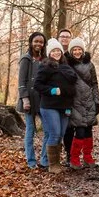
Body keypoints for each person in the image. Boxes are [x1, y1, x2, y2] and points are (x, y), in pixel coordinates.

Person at [34, 38, 77, 173]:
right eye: (53, 51)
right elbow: (38, 85)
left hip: (65, 106)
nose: (56, 53)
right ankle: (53, 165)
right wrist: (51, 90)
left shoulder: (66, 67)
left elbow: (72, 87)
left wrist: (69, 106)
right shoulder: (45, 66)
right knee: (54, 133)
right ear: (49, 53)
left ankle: (56, 161)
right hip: (49, 106)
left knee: (61, 133)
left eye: (58, 50)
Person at [67, 37, 99, 169]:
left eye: (79, 49)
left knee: (88, 130)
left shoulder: (90, 65)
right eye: (74, 49)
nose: (77, 52)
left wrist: (97, 101)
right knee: (79, 131)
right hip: (75, 102)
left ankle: (88, 157)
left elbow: (94, 83)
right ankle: (74, 158)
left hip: (89, 101)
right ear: (71, 51)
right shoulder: (68, 64)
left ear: (83, 50)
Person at [16, 32, 48, 170]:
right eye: (36, 41)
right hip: (29, 101)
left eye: (41, 42)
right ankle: (31, 161)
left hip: (42, 100)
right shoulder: (26, 59)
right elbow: (21, 81)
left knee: (48, 130)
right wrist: (25, 99)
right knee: (30, 131)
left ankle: (44, 159)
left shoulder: (44, 59)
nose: (38, 44)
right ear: (31, 42)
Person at [57, 28, 75, 166]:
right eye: (62, 36)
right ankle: (54, 157)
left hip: (69, 96)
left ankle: (69, 155)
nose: (64, 39)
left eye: (67, 37)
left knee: (68, 127)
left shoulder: (72, 56)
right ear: (58, 38)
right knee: (54, 128)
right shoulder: (52, 53)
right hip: (54, 95)